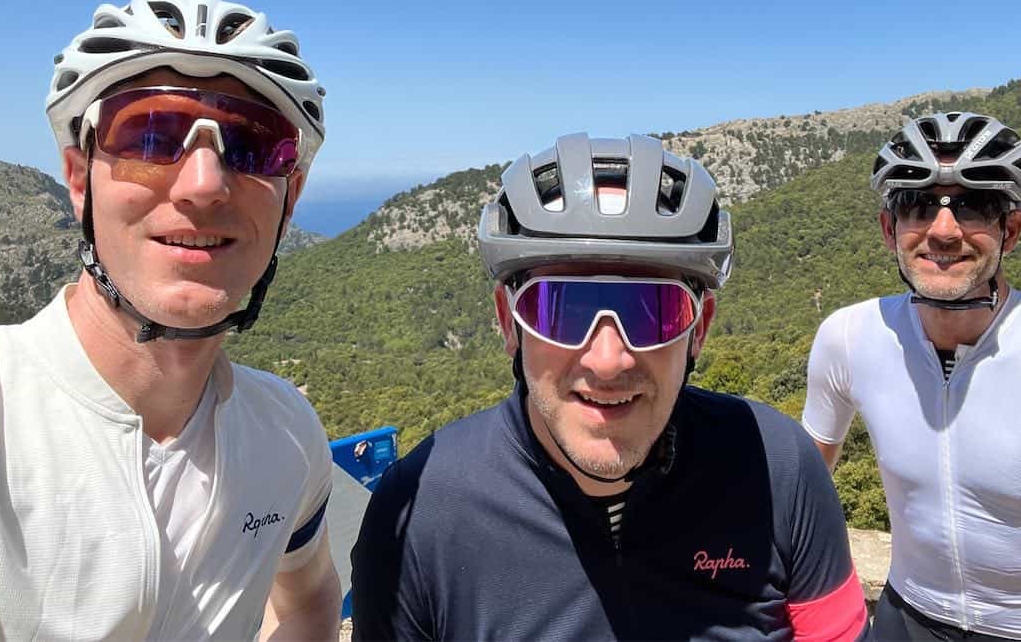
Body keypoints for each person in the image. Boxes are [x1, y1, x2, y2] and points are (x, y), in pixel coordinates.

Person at [0, 0, 342, 640]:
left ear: (289, 196)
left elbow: (307, 596)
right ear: (79, 177)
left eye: (252, 146)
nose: (203, 184)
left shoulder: (287, 436)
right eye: (151, 135)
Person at [351, 132, 869, 641]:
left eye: (654, 311)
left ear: (700, 328)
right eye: (560, 308)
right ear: (509, 323)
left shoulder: (777, 468)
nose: (607, 360)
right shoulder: (422, 511)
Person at [802, 112, 1021, 641]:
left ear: (1013, 229)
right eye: (917, 205)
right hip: (903, 617)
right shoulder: (848, 336)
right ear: (890, 229)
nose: (943, 230)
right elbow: (799, 486)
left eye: (973, 206)